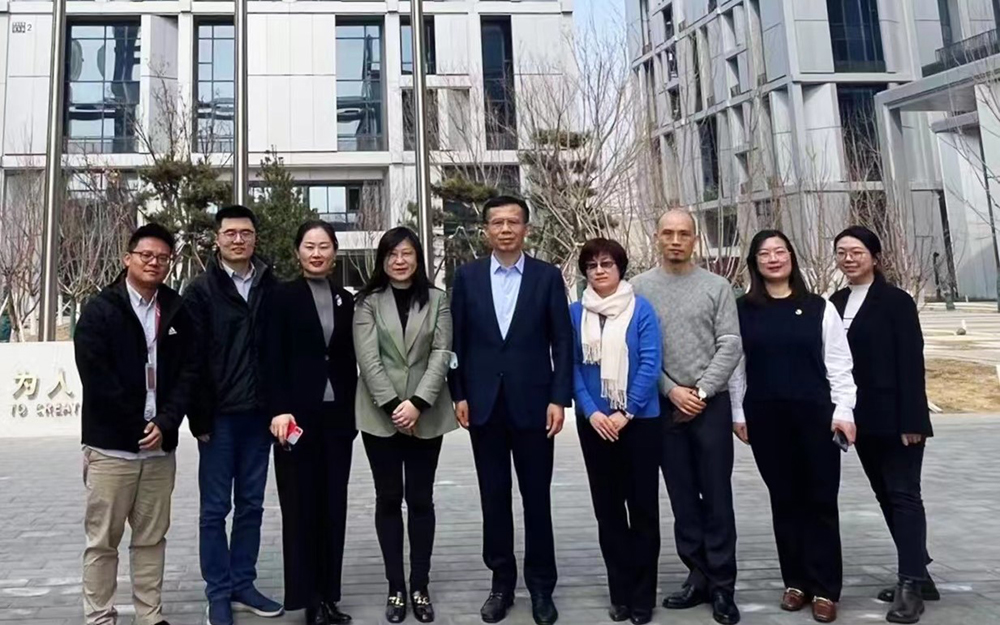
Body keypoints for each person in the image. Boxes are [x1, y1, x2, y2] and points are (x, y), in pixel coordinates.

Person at [449, 195, 573, 625]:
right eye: (497, 222)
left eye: (513, 222)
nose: (505, 229)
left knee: (537, 498)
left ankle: (541, 587)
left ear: (526, 229)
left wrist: (559, 398)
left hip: (535, 406)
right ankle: (501, 583)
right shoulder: (466, 277)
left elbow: (562, 342)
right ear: (485, 230)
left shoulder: (547, 277)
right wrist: (458, 394)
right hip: (484, 405)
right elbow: (456, 342)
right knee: (494, 497)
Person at [729, 230, 857, 624]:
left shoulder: (819, 307)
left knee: (820, 500)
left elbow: (839, 363)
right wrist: (738, 413)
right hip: (766, 417)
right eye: (764, 253)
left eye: (780, 251)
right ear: (754, 262)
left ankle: (825, 588)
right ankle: (796, 582)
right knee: (784, 499)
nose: (773, 259)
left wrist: (845, 410)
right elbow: (737, 367)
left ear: (791, 257)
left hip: (816, 416)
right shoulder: (742, 309)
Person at [75, 223, 198, 625]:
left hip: (160, 449)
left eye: (162, 258)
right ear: (127, 258)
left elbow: (189, 372)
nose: (154, 263)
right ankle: (100, 616)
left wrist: (166, 422)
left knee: (151, 538)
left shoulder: (177, 309)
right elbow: (96, 376)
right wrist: (135, 425)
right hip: (112, 448)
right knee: (102, 541)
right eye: (146, 255)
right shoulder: (100, 310)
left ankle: (150, 615)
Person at [632, 210, 742, 625]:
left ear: (695, 239)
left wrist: (701, 391)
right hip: (663, 406)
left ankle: (723, 585)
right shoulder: (638, 288)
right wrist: (671, 390)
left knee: (716, 496)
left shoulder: (717, 286)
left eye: (684, 234)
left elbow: (730, 343)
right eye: (668, 233)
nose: (675, 240)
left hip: (709, 404)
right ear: (656, 237)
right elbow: (636, 348)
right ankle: (697, 575)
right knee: (681, 496)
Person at [831, 226, 935, 624]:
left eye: (857, 252)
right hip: (860, 420)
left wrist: (913, 420)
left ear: (874, 257)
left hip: (897, 419)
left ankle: (911, 585)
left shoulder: (896, 301)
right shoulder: (836, 301)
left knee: (904, 495)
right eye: (842, 252)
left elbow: (911, 362)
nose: (848, 259)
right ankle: (919, 572)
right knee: (885, 495)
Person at [183, 205, 281, 625]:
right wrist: (198, 418)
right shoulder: (200, 290)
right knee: (214, 510)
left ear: (255, 238)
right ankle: (218, 592)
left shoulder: (270, 285)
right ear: (217, 238)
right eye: (230, 233)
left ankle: (243, 583)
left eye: (246, 233)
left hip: (259, 418)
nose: (238, 240)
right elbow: (190, 359)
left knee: (251, 506)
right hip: (219, 420)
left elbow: (279, 351)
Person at [353, 227, 457, 624]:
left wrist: (418, 404)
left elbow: (442, 352)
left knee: (421, 499)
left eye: (407, 253)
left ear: (417, 257)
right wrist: (395, 406)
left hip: (426, 412)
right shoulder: (367, 302)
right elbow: (368, 358)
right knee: (388, 498)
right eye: (392, 254)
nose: (400, 261)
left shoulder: (437, 299)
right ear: (383, 259)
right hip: (379, 414)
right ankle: (395, 586)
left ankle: (420, 584)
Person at [268, 221, 357, 625]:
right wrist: (278, 408)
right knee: (300, 508)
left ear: (335, 252)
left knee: (333, 506)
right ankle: (307, 599)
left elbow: (347, 357)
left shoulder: (346, 299)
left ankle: (329, 596)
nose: (317, 253)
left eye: (324, 246)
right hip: (294, 420)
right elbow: (270, 356)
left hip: (337, 419)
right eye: (309, 246)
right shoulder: (281, 297)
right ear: (297, 252)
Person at [571, 238, 663, 625]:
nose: (599, 271)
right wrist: (592, 412)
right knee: (608, 512)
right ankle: (620, 593)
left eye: (606, 263)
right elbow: (571, 366)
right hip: (595, 425)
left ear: (620, 268)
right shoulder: (576, 313)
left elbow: (650, 363)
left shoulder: (641, 309)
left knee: (642, 510)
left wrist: (626, 411)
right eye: (592, 265)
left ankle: (642, 596)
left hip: (639, 422)